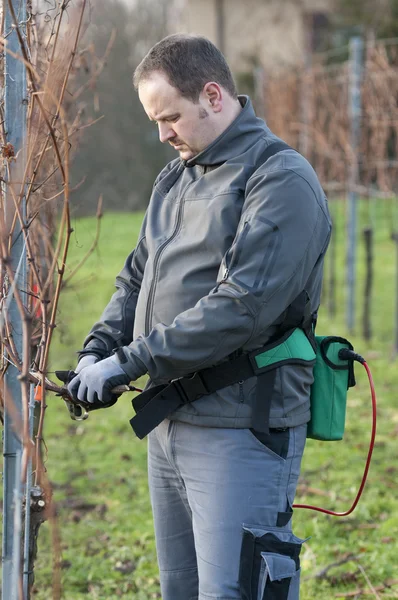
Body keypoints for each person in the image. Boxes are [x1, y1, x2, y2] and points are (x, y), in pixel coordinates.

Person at [67, 34, 332, 600]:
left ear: (213, 95)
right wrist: (98, 347)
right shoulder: (176, 177)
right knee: (180, 589)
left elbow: (240, 307)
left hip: (240, 426)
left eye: (170, 117)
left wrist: (126, 363)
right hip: (171, 421)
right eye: (154, 120)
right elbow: (137, 274)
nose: (162, 134)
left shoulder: (279, 179)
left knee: (236, 589)